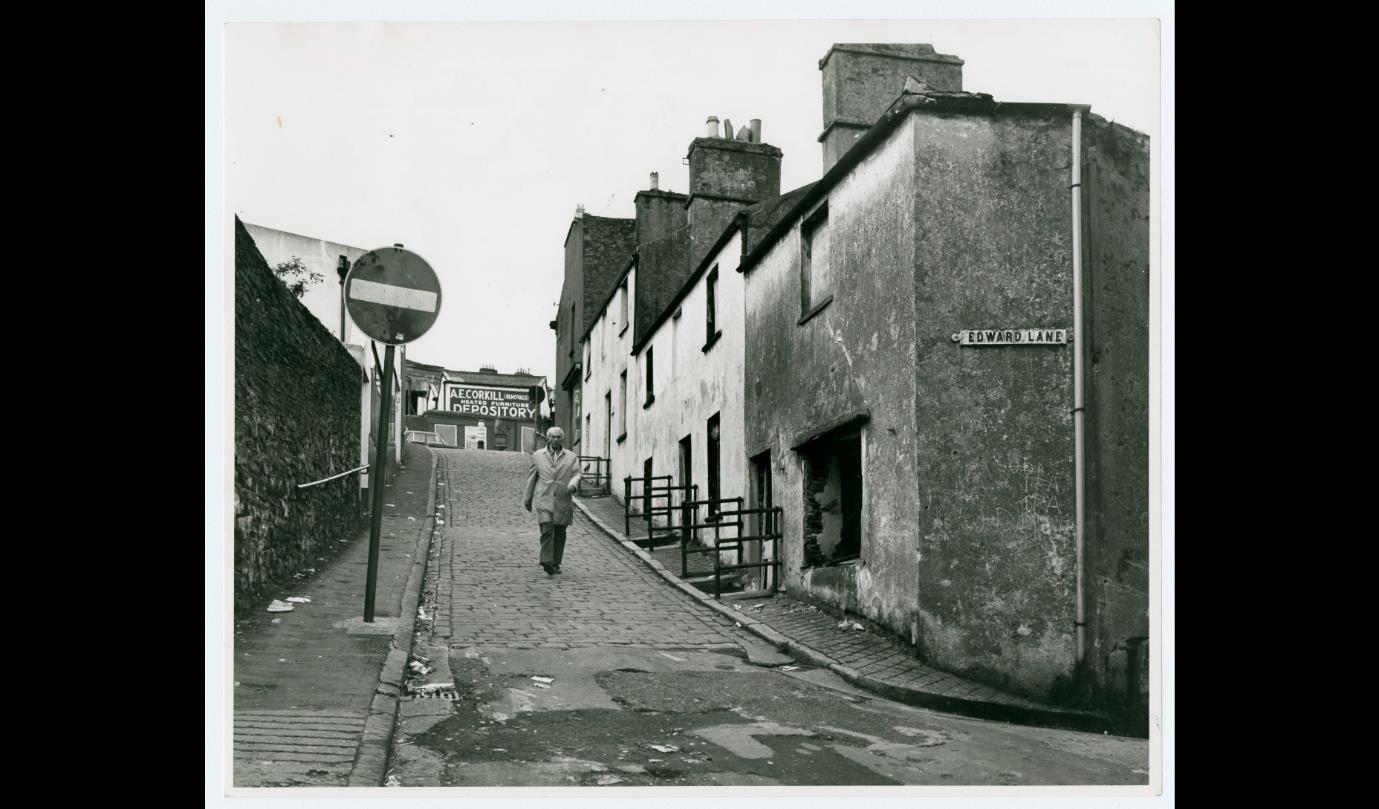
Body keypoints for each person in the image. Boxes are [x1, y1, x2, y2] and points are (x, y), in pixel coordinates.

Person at [523, 427, 581, 575]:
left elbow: (576, 474)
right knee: (547, 529)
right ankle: (546, 561)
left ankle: (555, 562)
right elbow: (532, 478)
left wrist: (573, 484)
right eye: (553, 437)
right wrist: (527, 499)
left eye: (558, 437)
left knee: (560, 532)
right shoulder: (538, 456)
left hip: (563, 499)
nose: (555, 440)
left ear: (562, 439)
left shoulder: (571, 457)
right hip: (544, 499)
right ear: (548, 438)